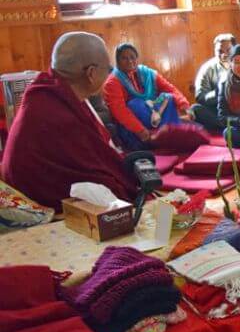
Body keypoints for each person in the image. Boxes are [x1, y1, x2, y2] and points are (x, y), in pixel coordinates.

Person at [1, 32, 137, 211]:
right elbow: (94, 173)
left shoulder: (46, 92)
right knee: (119, 193)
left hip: (23, 186)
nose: (109, 74)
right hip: (35, 202)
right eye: (108, 69)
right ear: (91, 73)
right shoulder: (55, 113)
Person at [101, 42, 192, 149]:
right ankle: (158, 138)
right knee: (135, 104)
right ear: (117, 61)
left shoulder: (148, 73)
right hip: (135, 127)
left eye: (132, 57)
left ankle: (168, 135)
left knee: (169, 97)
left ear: (137, 58)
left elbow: (170, 89)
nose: (129, 61)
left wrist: (184, 105)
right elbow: (119, 111)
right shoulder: (112, 82)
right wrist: (140, 130)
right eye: (124, 58)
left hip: (154, 113)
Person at [191, 33, 236, 132]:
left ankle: (234, 125)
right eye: (219, 51)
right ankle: (229, 125)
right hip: (218, 109)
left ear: (234, 49)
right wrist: (218, 93)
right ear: (214, 51)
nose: (224, 54)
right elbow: (200, 96)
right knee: (196, 109)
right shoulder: (207, 68)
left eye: (228, 50)